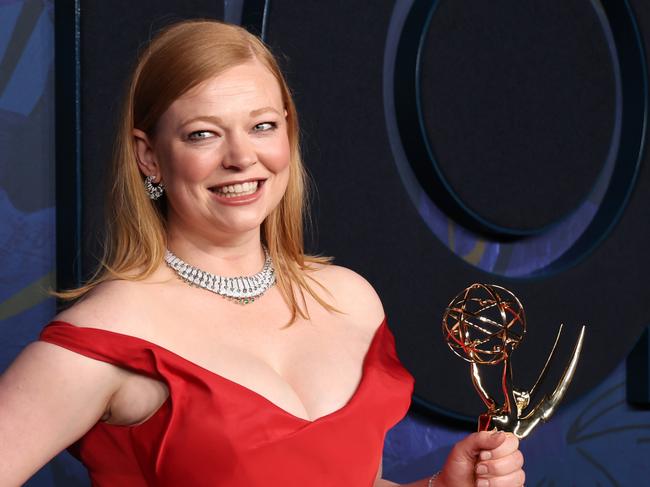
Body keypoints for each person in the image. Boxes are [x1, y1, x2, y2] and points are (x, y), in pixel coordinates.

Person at [0, 20, 525, 487]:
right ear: (149, 157)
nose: (241, 157)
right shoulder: (111, 331)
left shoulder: (348, 299)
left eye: (262, 126)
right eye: (202, 134)